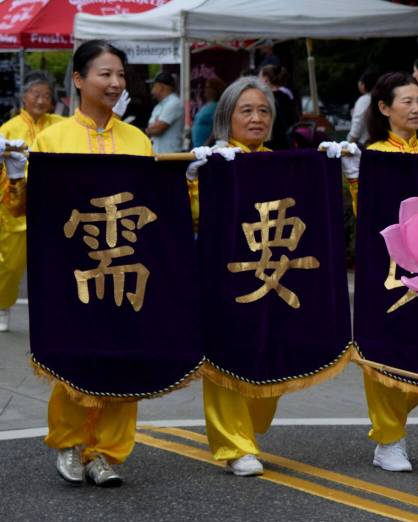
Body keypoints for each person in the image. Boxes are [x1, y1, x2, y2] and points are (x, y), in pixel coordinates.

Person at [6, 40, 153, 487]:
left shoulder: (138, 140)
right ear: (79, 79)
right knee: (75, 353)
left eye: (120, 76)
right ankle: (70, 442)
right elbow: (23, 208)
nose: (114, 83)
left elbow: (155, 209)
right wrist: (16, 175)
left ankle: (108, 452)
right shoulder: (52, 138)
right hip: (71, 268)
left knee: (125, 357)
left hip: (127, 267)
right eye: (104, 74)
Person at [337, 73, 418, 470]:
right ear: (384, 108)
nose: (416, 108)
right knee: (382, 350)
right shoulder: (373, 154)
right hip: (386, 266)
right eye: (407, 101)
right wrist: (353, 176)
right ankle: (389, 439)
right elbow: (364, 213)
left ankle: (396, 423)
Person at [182, 77, 283, 475]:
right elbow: (189, 215)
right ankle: (233, 443)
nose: (257, 118)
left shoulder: (280, 162)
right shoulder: (213, 159)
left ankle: (249, 432)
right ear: (227, 117)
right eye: (247, 111)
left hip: (271, 275)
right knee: (224, 354)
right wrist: (193, 180)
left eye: (263, 111)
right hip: (222, 274)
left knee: (268, 358)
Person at [0, 71, 63, 332]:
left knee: (57, 263)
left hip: (53, 203)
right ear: (24, 97)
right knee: (10, 263)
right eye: (35, 94)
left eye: (46, 96)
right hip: (16, 204)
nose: (40, 100)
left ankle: (57, 314)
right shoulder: (9, 128)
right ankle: (2, 306)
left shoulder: (60, 124)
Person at [259, 64, 298, 151]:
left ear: (265, 79)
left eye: (259, 77)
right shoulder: (286, 94)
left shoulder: (266, 98)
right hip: (285, 140)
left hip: (272, 142)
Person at [145, 71, 184, 153]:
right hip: (159, 155)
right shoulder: (159, 105)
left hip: (170, 157)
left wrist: (150, 129)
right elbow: (151, 127)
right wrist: (151, 128)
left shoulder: (174, 102)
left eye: (154, 85)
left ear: (161, 87)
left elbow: (157, 129)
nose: (152, 89)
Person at [190, 77, 226, 148]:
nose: (205, 90)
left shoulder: (218, 107)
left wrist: (207, 143)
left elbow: (218, 128)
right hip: (197, 146)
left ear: (215, 90)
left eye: (208, 87)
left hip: (206, 148)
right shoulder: (206, 105)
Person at [348, 69, 379, 144]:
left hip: (365, 142)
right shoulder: (381, 98)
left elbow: (358, 121)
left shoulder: (364, 100)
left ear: (363, 84)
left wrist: (351, 139)